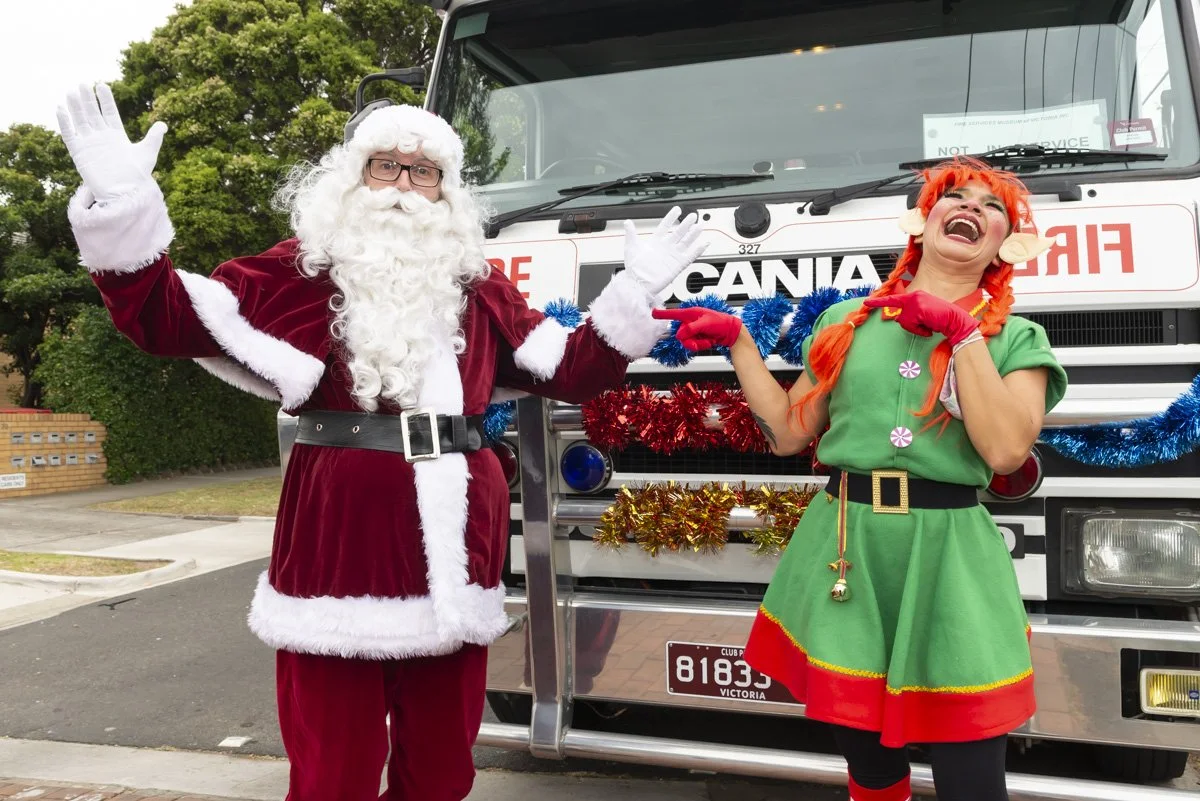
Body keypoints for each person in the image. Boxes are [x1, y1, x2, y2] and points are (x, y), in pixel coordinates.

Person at [55, 82, 707, 801]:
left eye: (422, 171)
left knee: (442, 770)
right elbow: (166, 317)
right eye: (386, 166)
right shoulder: (300, 273)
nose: (402, 185)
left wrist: (634, 291)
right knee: (334, 771)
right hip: (339, 551)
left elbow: (573, 370)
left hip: (457, 555)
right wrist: (122, 208)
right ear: (354, 176)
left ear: (445, 192)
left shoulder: (479, 288)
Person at [654, 157, 1066, 801]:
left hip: (951, 558)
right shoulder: (846, 320)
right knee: (869, 763)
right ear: (923, 220)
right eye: (955, 196)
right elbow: (790, 433)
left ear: (1004, 245)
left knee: (972, 771)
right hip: (846, 551)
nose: (970, 207)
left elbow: (1008, 451)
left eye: (992, 207)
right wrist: (739, 342)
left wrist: (963, 334)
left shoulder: (1016, 338)